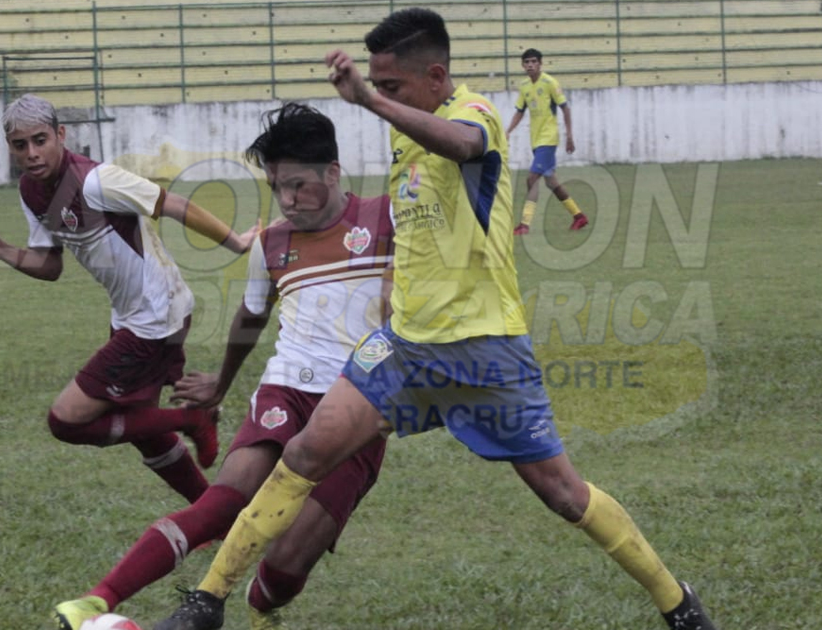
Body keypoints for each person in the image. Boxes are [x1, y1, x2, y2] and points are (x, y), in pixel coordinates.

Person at [155, 9, 716, 630]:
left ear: (435, 76)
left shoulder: (473, 116)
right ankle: (207, 601)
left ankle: (677, 602)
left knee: (563, 494)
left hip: (484, 349)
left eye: (392, 86)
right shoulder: (403, 130)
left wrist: (369, 101)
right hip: (402, 346)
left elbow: (464, 145)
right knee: (306, 451)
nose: (383, 97)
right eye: (377, 86)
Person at [52, 103, 394, 630]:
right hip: (287, 392)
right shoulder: (274, 242)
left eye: (299, 185)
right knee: (222, 502)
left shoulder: (387, 220)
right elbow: (251, 316)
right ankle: (98, 600)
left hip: (358, 407)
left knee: (285, 567)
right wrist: (220, 383)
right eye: (277, 186)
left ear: (333, 172)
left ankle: (261, 607)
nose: (287, 200)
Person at [0, 94, 259, 505]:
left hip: (156, 317)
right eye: (21, 145)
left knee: (65, 420)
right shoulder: (31, 191)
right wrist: (2, 250)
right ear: (10, 148)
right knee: (144, 430)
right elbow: (50, 265)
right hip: (133, 315)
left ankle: (194, 419)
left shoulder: (96, 181)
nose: (32, 154)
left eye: (40, 140)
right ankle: (214, 514)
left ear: (61, 135)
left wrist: (236, 243)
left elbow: (172, 204)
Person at [506, 48, 588, 235]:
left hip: (549, 139)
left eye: (534, 62)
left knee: (531, 178)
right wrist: (508, 130)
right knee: (552, 183)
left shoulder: (550, 83)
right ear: (523, 65)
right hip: (536, 141)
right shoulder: (525, 86)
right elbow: (520, 111)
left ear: (540, 64)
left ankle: (524, 224)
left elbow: (565, 108)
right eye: (527, 62)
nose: (530, 65)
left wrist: (569, 136)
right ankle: (578, 216)